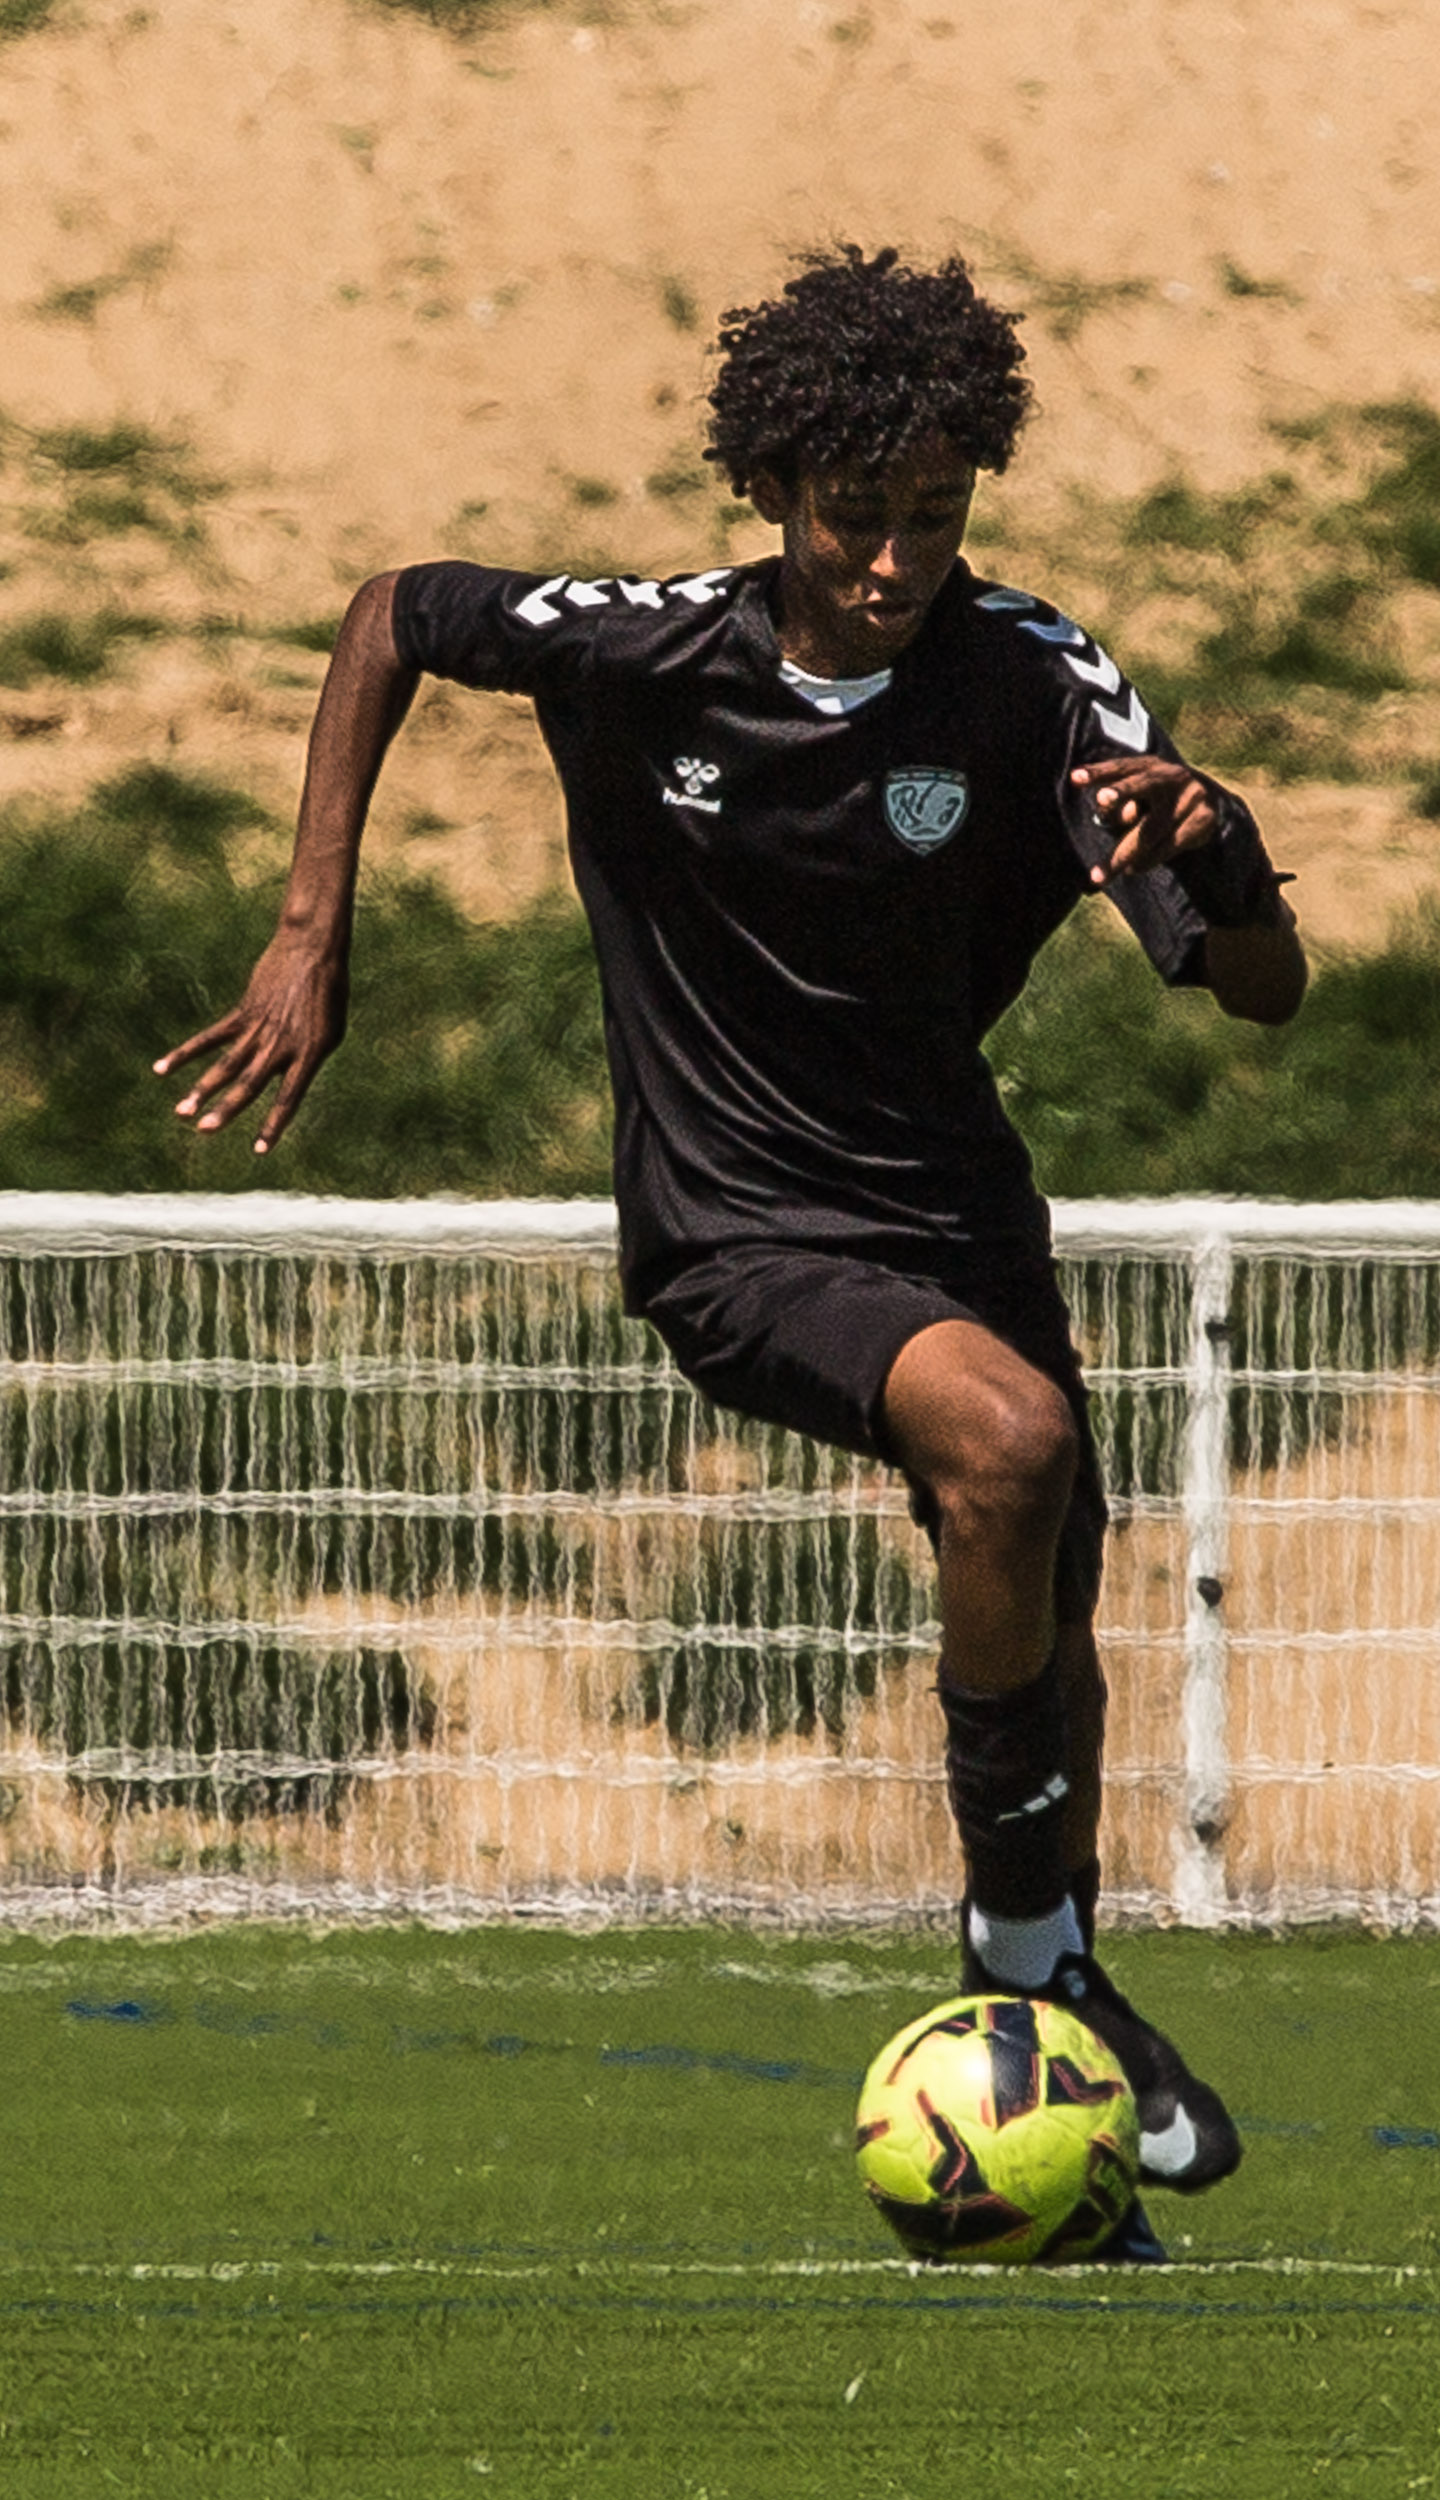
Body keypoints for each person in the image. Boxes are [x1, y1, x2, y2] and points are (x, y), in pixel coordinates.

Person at [155, 245, 1306, 2262]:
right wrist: (313, 925)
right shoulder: (649, 647)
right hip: (735, 1222)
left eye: (936, 514)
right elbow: (393, 611)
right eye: (857, 516)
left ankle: (1056, 2019)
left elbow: (1257, 989)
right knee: (1015, 1444)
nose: (895, 561)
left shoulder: (1041, 679)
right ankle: (1024, 1959)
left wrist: (1222, 847)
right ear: (771, 489)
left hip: (954, 1212)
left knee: (1050, 1574)